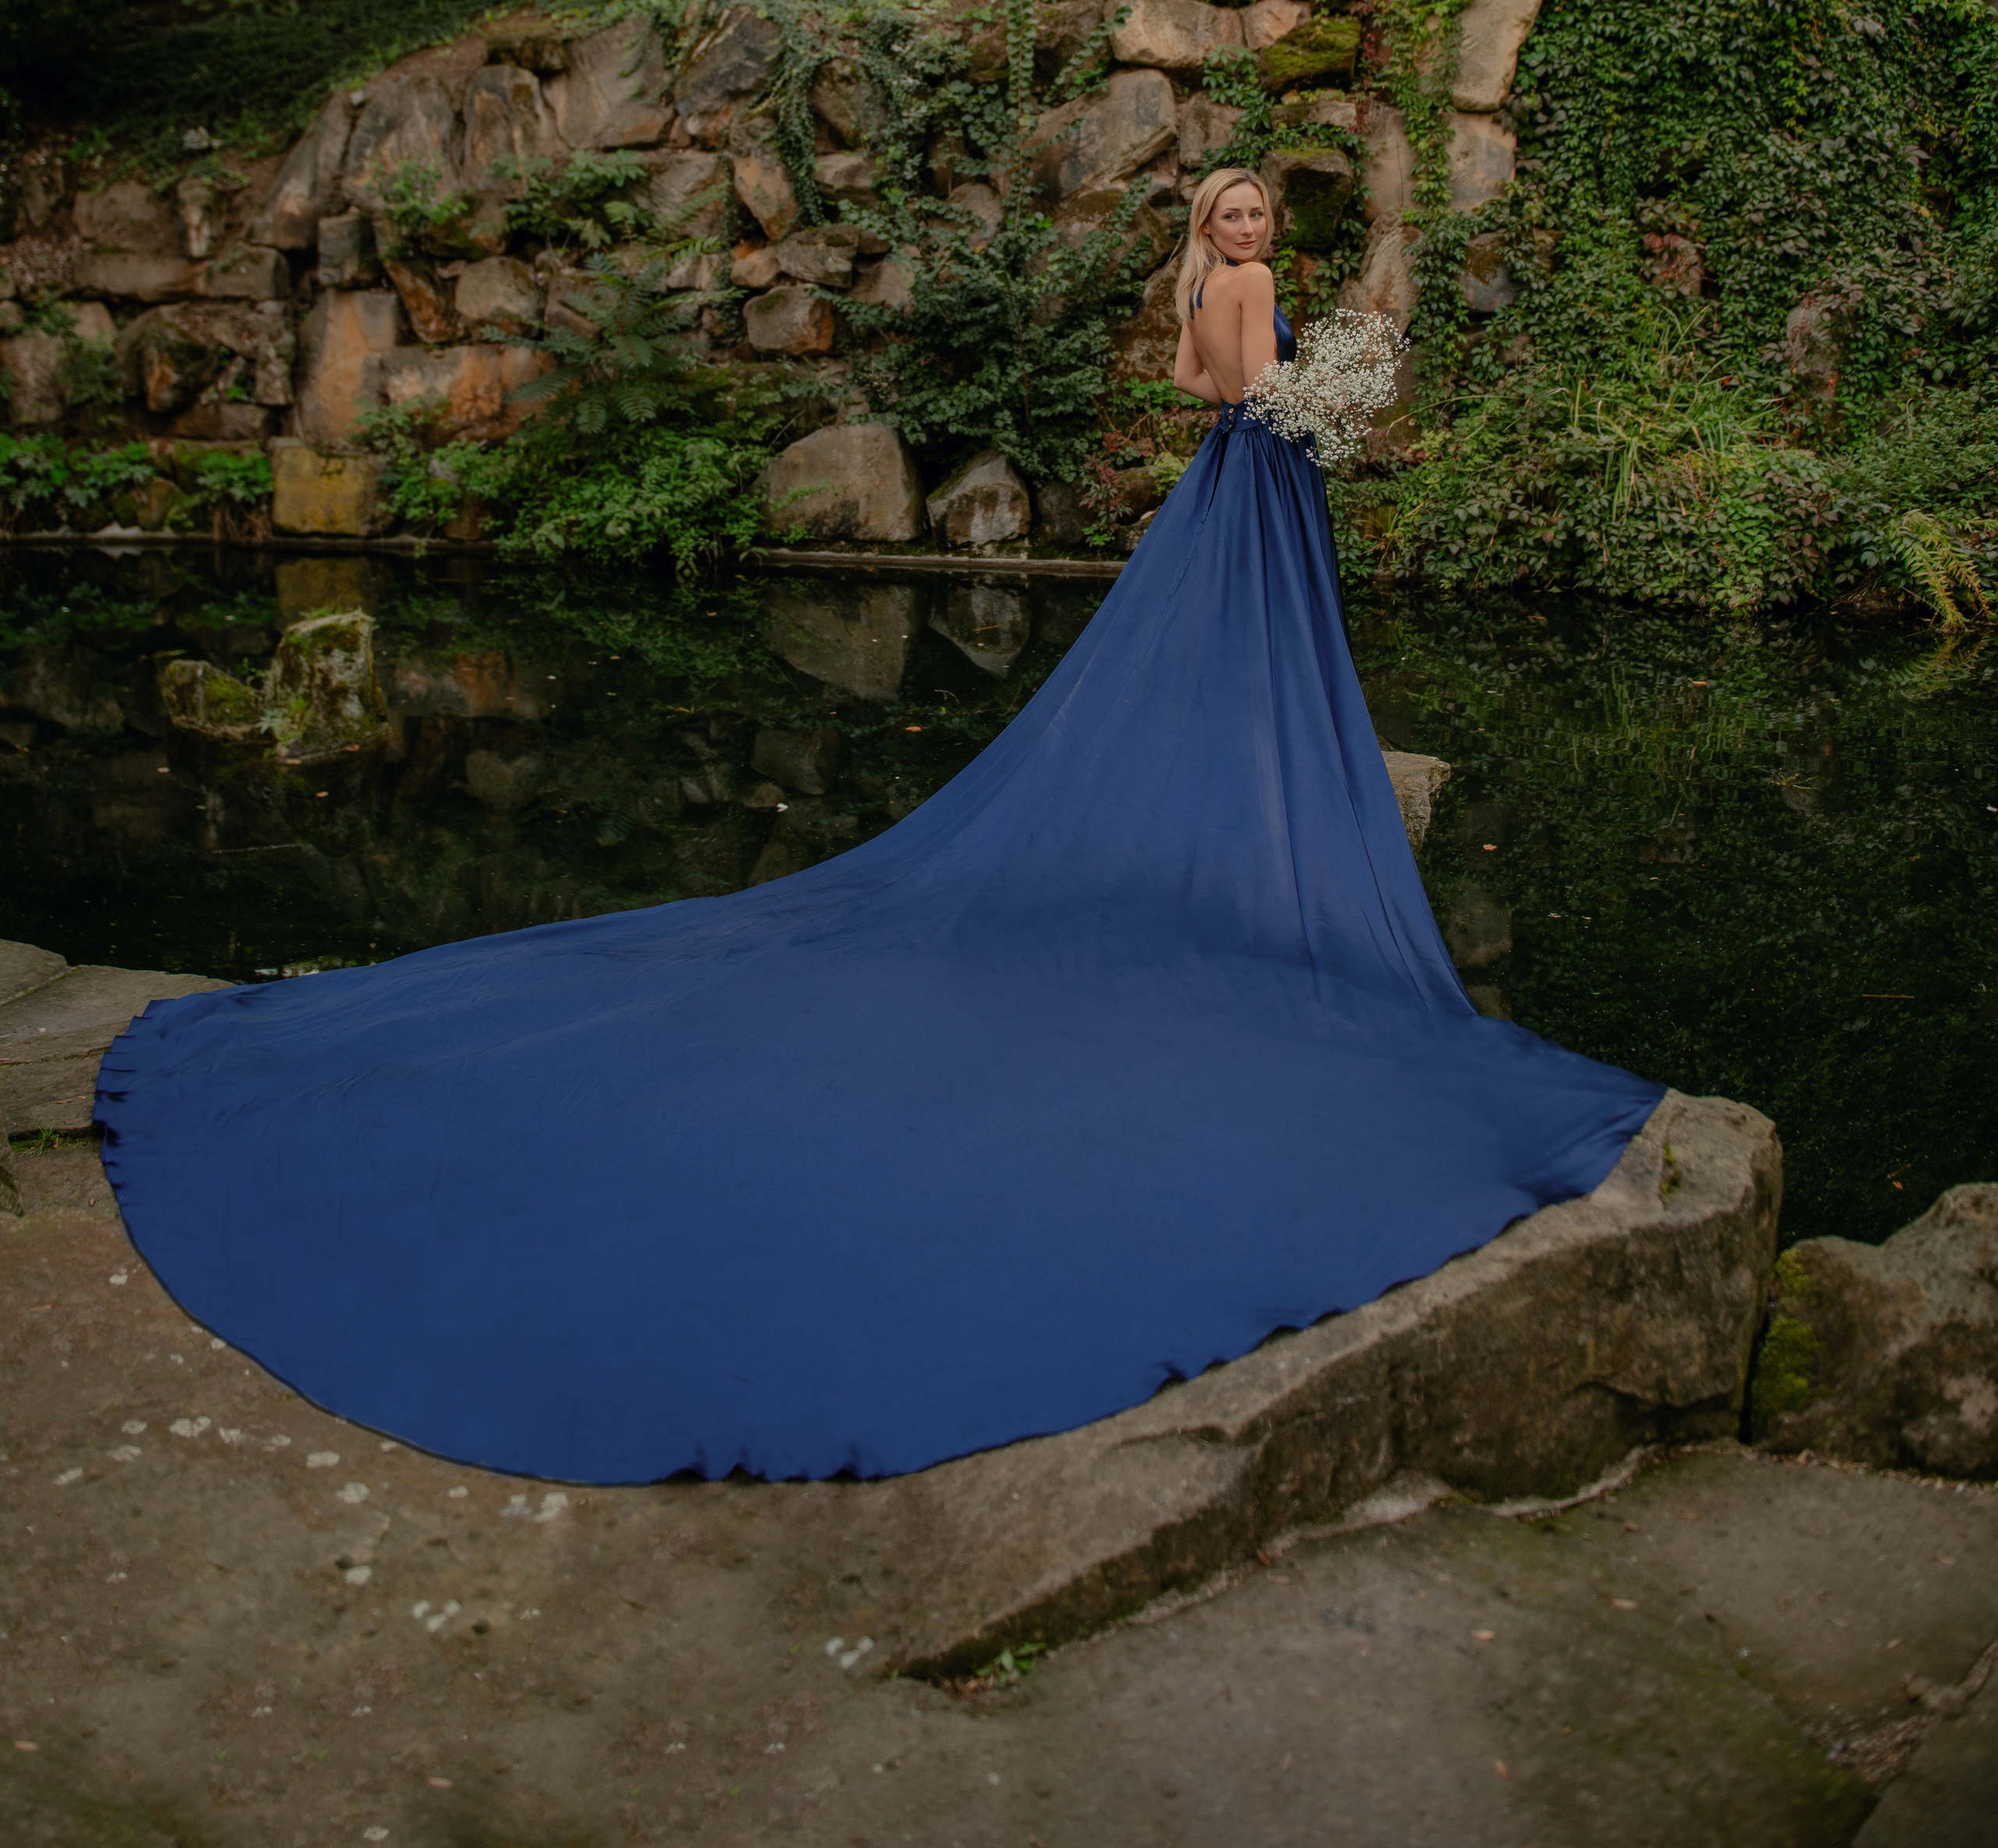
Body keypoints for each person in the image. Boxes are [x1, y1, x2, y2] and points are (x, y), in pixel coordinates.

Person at [98, 165, 1662, 1485]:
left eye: (1258, 216)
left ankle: (1202, 825)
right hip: (1259, 488)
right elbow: (1242, 396)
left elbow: (1187, 393)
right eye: (1236, 216)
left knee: (1191, 676)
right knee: (1263, 674)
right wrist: (1308, 403)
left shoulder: (1190, 294)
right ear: (1218, 226)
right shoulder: (1243, 300)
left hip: (1213, 491)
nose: (1251, 232)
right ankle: (1241, 842)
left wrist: (1272, 395)